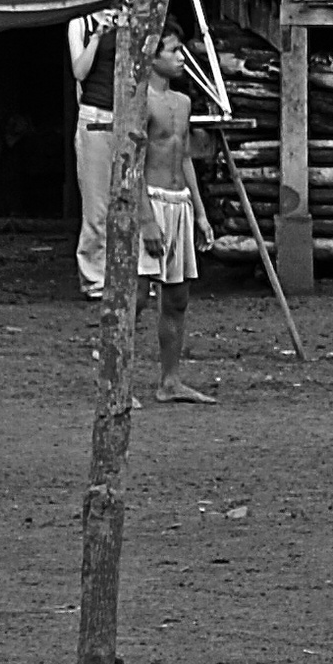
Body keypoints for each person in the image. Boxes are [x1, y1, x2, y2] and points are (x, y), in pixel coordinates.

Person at [136, 24, 218, 404]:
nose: (181, 58)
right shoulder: (139, 101)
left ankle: (170, 381)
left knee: (177, 297)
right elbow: (131, 164)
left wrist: (200, 213)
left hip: (179, 201)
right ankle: (117, 380)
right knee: (135, 297)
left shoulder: (183, 103)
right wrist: (145, 217)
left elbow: (184, 157)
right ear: (153, 58)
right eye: (173, 51)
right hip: (150, 200)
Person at [68, 9, 120, 300]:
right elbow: (79, 71)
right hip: (96, 112)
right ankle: (94, 279)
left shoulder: (131, 13)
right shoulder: (82, 21)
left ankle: (137, 273)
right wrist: (99, 35)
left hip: (128, 113)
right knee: (96, 203)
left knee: (132, 200)